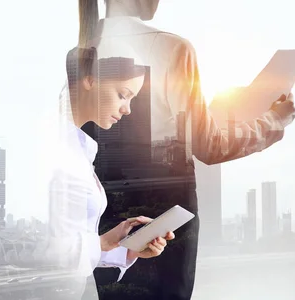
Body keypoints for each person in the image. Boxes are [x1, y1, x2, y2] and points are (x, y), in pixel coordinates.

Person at [83, 1, 295, 299]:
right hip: (164, 225)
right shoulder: (173, 48)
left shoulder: (81, 51)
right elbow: (209, 146)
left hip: (100, 220)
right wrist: (274, 120)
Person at [40, 2, 176, 298]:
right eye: (122, 95)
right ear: (90, 78)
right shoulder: (48, 146)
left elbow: (73, 247)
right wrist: (103, 244)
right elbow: (46, 251)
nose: (127, 110)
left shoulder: (81, 146)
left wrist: (122, 248)